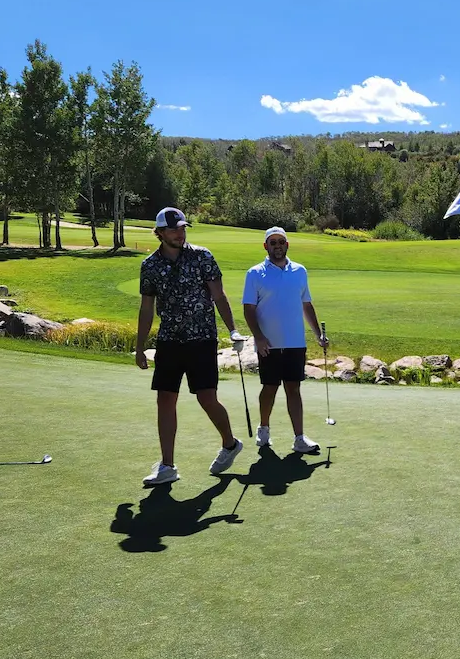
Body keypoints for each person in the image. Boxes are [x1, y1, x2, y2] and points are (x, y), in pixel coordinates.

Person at [135, 207, 247, 485]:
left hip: (202, 338)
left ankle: (230, 444)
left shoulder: (202, 257)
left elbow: (219, 297)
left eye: (182, 228)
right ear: (159, 232)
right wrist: (139, 347)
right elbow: (147, 308)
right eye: (173, 229)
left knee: (206, 398)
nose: (179, 233)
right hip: (170, 340)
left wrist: (233, 330)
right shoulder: (150, 266)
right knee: (165, 400)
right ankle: (168, 466)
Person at [241, 226, 328, 454]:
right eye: (273, 242)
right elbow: (248, 309)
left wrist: (318, 335)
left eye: (281, 242)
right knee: (269, 388)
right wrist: (258, 337)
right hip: (268, 344)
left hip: (294, 342)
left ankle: (299, 438)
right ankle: (264, 428)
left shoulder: (299, 271)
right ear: (266, 246)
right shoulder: (255, 273)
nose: (277, 246)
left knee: (293, 388)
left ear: (287, 245)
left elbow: (306, 305)